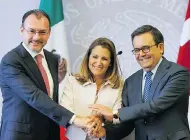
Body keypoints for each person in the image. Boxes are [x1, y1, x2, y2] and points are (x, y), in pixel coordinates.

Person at [0, 9, 100, 140]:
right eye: (31, 31)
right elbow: (34, 96)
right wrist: (74, 119)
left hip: (49, 132)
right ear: (22, 30)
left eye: (42, 32)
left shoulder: (53, 59)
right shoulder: (11, 61)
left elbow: (54, 96)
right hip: (20, 135)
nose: (36, 37)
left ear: (49, 33)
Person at [89, 25, 190, 140]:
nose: (141, 54)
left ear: (160, 47)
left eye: (145, 48)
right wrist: (104, 133)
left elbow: (155, 106)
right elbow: (128, 122)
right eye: (136, 50)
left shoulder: (178, 73)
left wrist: (115, 113)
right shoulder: (131, 82)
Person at [59, 37, 128, 140]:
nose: (98, 62)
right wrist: (87, 122)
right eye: (95, 57)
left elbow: (119, 117)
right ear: (88, 58)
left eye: (104, 59)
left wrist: (102, 118)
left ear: (110, 63)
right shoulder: (72, 80)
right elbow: (64, 109)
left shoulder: (119, 86)